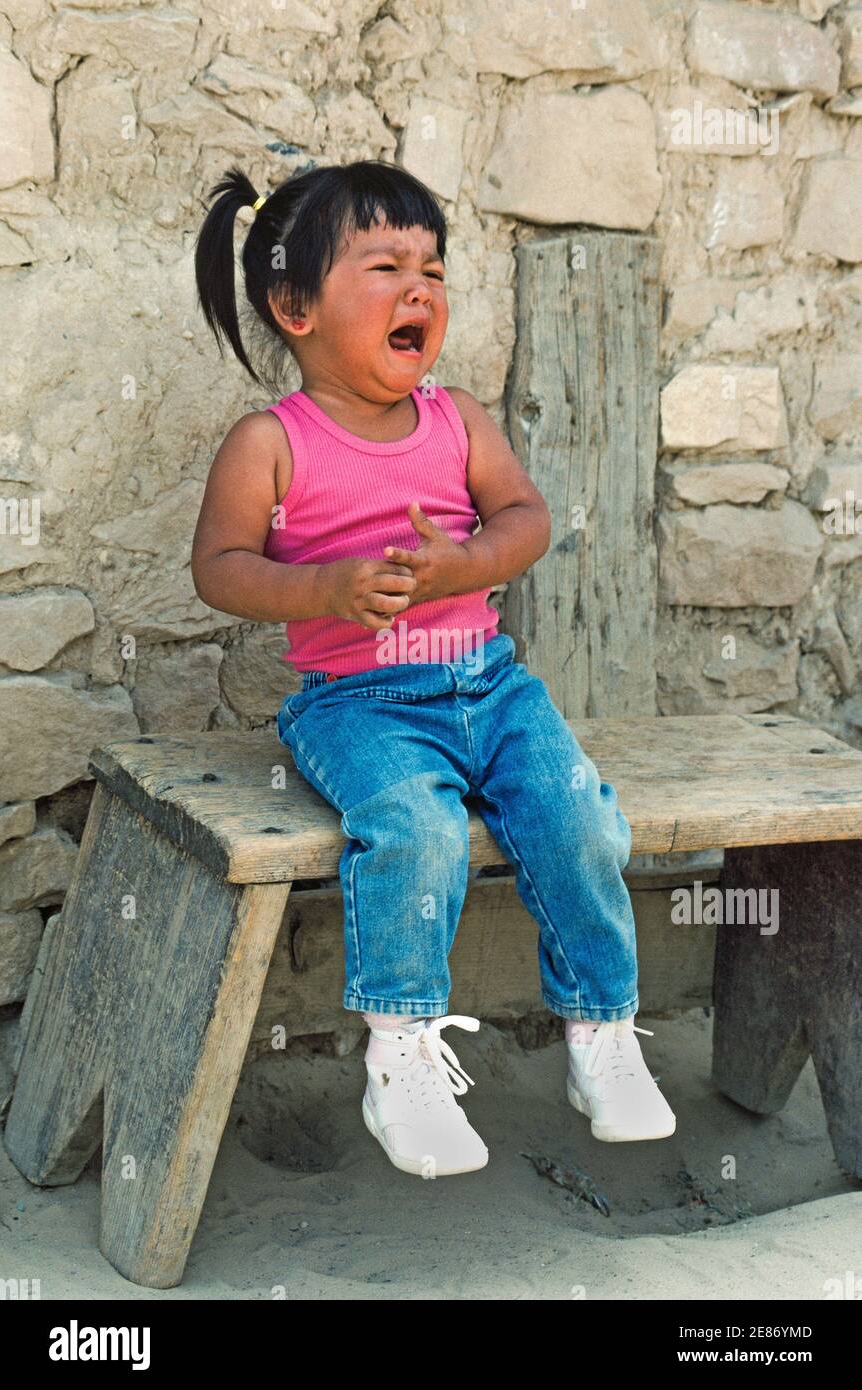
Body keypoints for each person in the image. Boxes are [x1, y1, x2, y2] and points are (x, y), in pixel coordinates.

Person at [191, 158, 675, 1179]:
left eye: (434, 269)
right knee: (411, 829)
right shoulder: (271, 444)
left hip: (489, 686)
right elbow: (220, 568)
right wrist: (324, 588)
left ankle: (601, 1033)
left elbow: (526, 519)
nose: (420, 288)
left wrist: (466, 564)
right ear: (294, 306)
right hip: (358, 704)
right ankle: (401, 1055)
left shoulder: (456, 419)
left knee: (578, 812)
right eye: (384, 267)